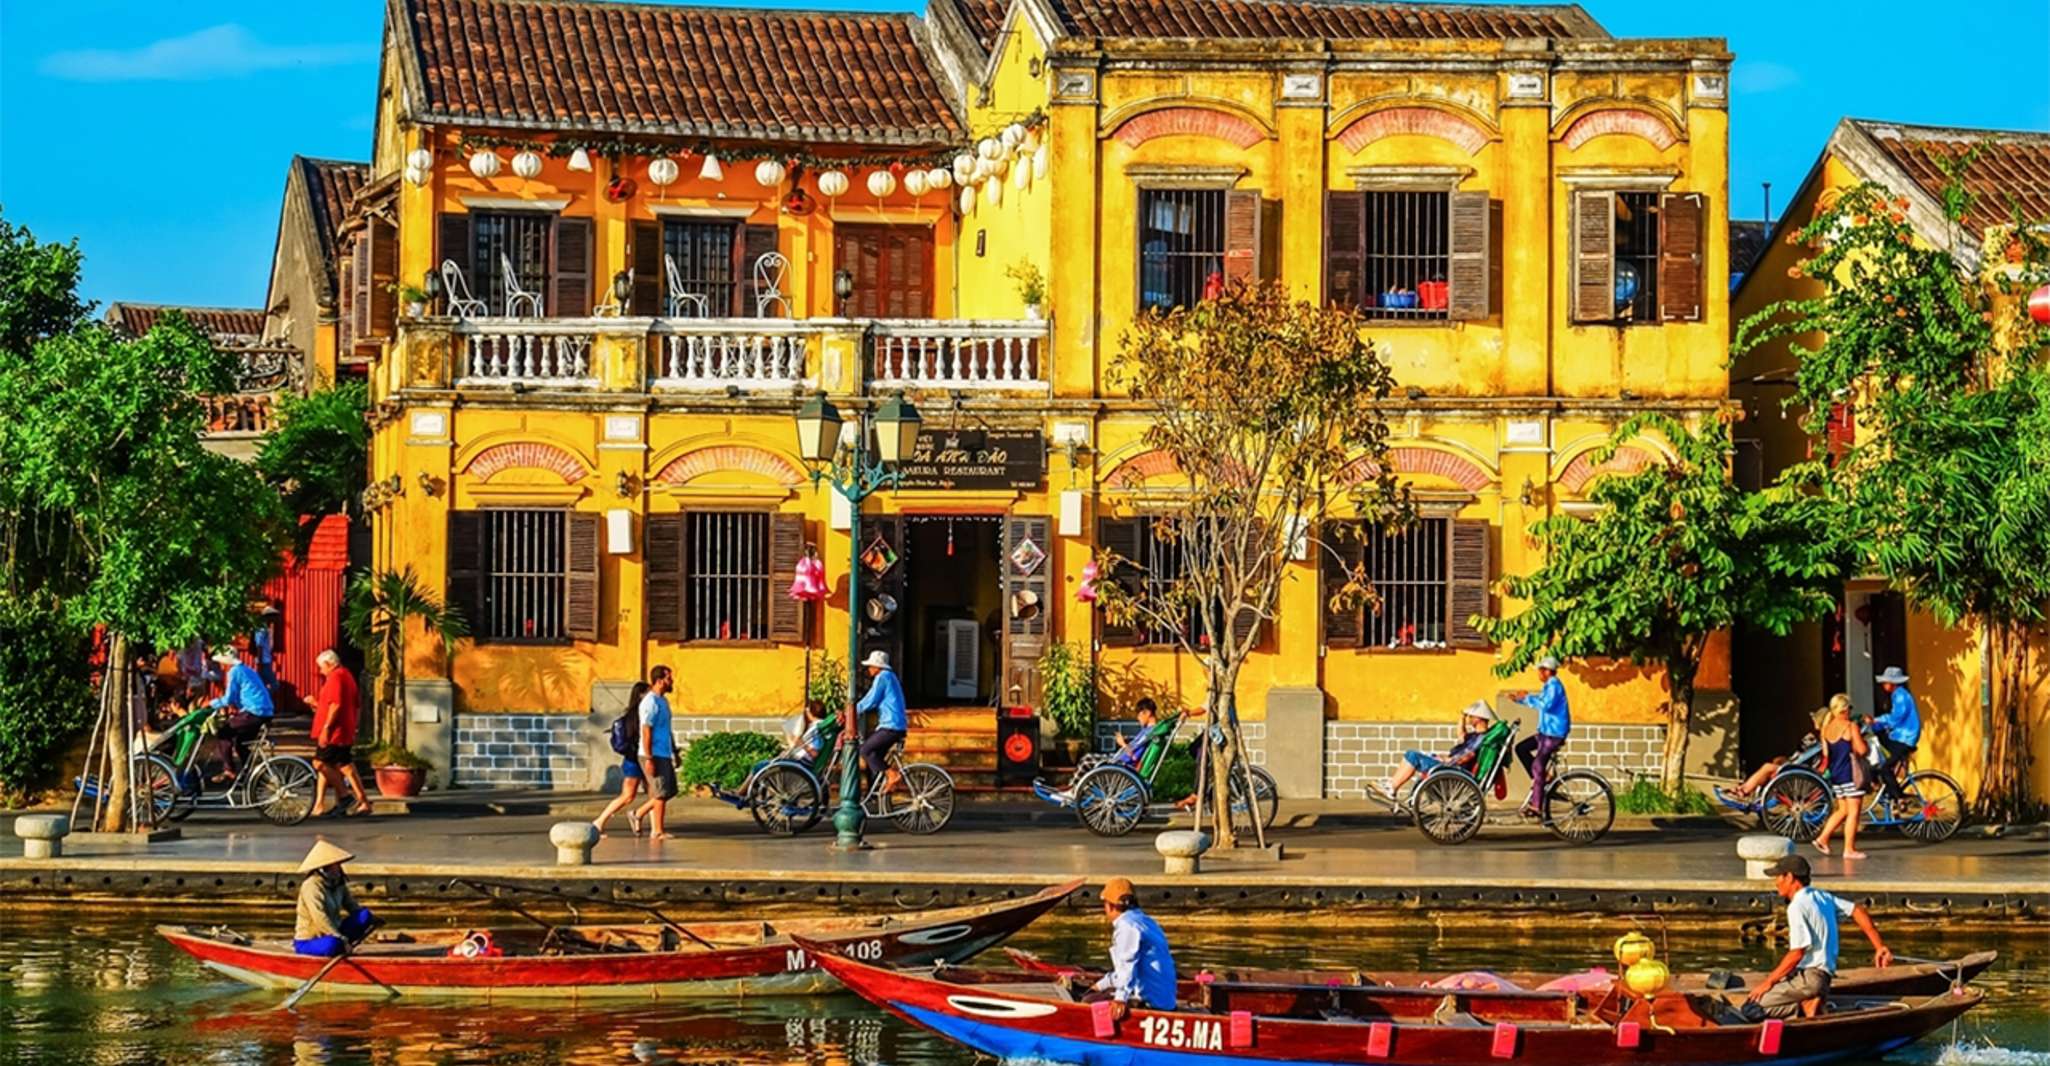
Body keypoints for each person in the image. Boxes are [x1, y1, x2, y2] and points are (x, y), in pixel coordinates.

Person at [1745, 854, 1892, 1018]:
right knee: (1766, 993)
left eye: (1778, 876)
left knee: (1751, 1008)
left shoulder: (1797, 906)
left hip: (1809, 978)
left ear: (1790, 877)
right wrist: (1879, 947)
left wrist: (1768, 982)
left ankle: (1803, 1006)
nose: (1776, 882)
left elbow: (1797, 953)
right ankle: (1809, 1001)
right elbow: (1858, 911)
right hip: (1824, 977)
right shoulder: (1822, 896)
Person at [1087, 877, 1177, 1015]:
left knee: (1088, 1001)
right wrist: (1100, 985)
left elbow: (1127, 966)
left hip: (1152, 1004)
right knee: (1097, 994)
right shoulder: (1145, 921)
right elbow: (1124, 972)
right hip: (1165, 1000)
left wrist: (1120, 999)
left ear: (1110, 906)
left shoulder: (1126, 926)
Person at [1382, 700, 1497, 801]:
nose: (1469, 719)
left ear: (1479, 718)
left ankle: (1392, 787)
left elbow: (1469, 755)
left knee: (1413, 756)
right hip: (1451, 766)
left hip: (1452, 769)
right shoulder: (1474, 736)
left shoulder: (1481, 738)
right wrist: (1461, 717)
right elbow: (1461, 735)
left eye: (1471, 716)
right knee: (1411, 753)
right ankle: (1392, 785)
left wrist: (1448, 760)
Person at [310, 650, 370, 819]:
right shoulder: (346, 675)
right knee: (343, 766)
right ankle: (361, 801)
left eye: (321, 667)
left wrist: (327, 728)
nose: (321, 671)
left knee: (320, 763)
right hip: (344, 728)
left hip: (335, 731)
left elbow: (336, 704)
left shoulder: (336, 677)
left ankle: (344, 796)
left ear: (329, 664)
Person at [293, 841, 377, 957]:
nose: (339, 867)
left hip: (336, 931)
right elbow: (319, 916)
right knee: (333, 944)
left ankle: (341, 945)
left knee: (364, 915)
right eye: (335, 865)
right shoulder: (311, 886)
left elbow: (351, 905)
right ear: (324, 867)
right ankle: (340, 946)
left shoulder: (338, 883)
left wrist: (372, 919)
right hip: (311, 940)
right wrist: (339, 936)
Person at [1512, 655, 1571, 817]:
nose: (1538, 674)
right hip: (1545, 732)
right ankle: (1542, 780)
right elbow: (1539, 700)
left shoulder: (1554, 686)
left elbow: (1546, 705)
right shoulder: (1548, 686)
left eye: (1540, 670)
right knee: (1521, 748)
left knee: (1538, 766)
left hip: (1554, 734)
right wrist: (1520, 700)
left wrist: (1527, 697)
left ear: (1547, 671)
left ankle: (1536, 806)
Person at [1813, 693, 1869, 859]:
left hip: (1836, 775)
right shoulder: (1850, 726)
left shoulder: (1826, 729)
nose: (1850, 711)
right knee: (1853, 812)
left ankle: (1822, 838)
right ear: (1844, 709)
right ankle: (1849, 849)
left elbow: (1825, 753)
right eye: (1849, 708)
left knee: (1842, 810)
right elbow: (1861, 750)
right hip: (1850, 774)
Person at [592, 681, 650, 837]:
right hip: (636, 760)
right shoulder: (639, 715)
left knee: (654, 794)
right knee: (628, 795)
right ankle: (599, 822)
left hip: (635, 759)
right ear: (641, 695)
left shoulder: (632, 714)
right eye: (648, 692)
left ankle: (647, 823)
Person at [208, 648, 274, 781]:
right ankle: (251, 775)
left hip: (255, 711)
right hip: (264, 711)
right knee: (241, 743)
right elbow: (242, 695)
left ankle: (229, 770)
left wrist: (211, 704)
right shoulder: (247, 669)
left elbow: (229, 698)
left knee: (224, 733)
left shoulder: (234, 671)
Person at [631, 667, 677, 841]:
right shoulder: (650, 702)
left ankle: (640, 815)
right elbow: (646, 731)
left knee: (667, 791)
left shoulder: (663, 701)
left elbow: (666, 729)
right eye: (669, 678)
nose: (672, 682)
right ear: (659, 681)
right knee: (661, 792)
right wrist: (649, 758)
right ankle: (655, 829)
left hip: (663, 752)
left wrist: (674, 751)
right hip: (653, 753)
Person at [854, 651, 908, 794]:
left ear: (878, 666)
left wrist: (852, 710)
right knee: (874, 758)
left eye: (871, 666)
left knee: (865, 750)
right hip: (895, 725)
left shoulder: (883, 677)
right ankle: (874, 792)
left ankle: (892, 774)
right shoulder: (891, 677)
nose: (869, 669)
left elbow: (871, 700)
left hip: (891, 726)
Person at [1871, 667, 1922, 806]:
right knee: (1880, 743)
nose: (1883, 685)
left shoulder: (1900, 696)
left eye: (1885, 682)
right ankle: (1889, 792)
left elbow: (1895, 718)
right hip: (1900, 736)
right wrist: (1875, 725)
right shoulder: (1897, 695)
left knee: (1885, 768)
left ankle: (1899, 797)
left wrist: (1876, 721)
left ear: (1892, 683)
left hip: (1905, 738)